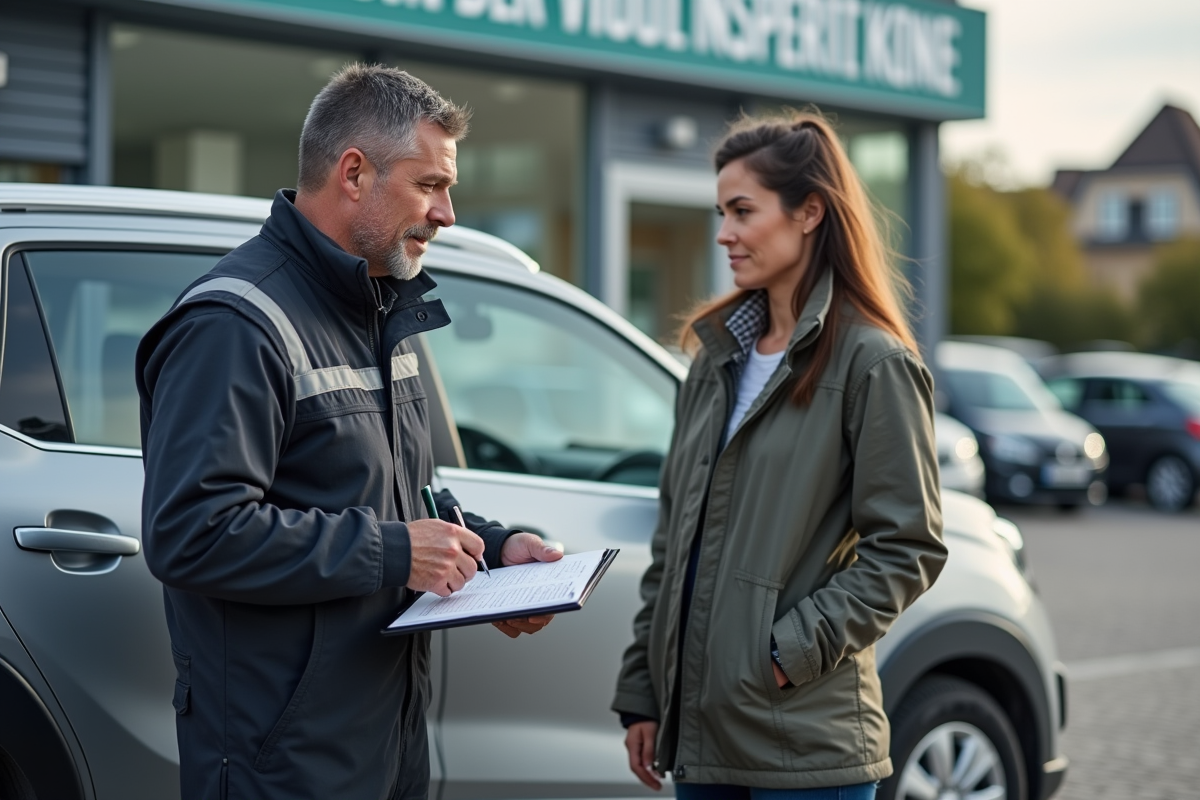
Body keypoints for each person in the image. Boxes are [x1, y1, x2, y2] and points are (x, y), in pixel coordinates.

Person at [136, 64, 560, 800]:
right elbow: (192, 532)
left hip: (382, 743)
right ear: (355, 173)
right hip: (283, 760)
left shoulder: (376, 308)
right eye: (430, 185)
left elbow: (395, 492)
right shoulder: (235, 325)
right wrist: (397, 552)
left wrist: (493, 551)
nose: (447, 213)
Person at [611, 111, 948, 799]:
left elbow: (908, 546)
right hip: (702, 740)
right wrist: (644, 688)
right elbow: (675, 543)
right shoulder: (715, 359)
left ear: (809, 212)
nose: (724, 233)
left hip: (809, 745)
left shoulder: (873, 364)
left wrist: (788, 653)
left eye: (742, 211)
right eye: (720, 212)